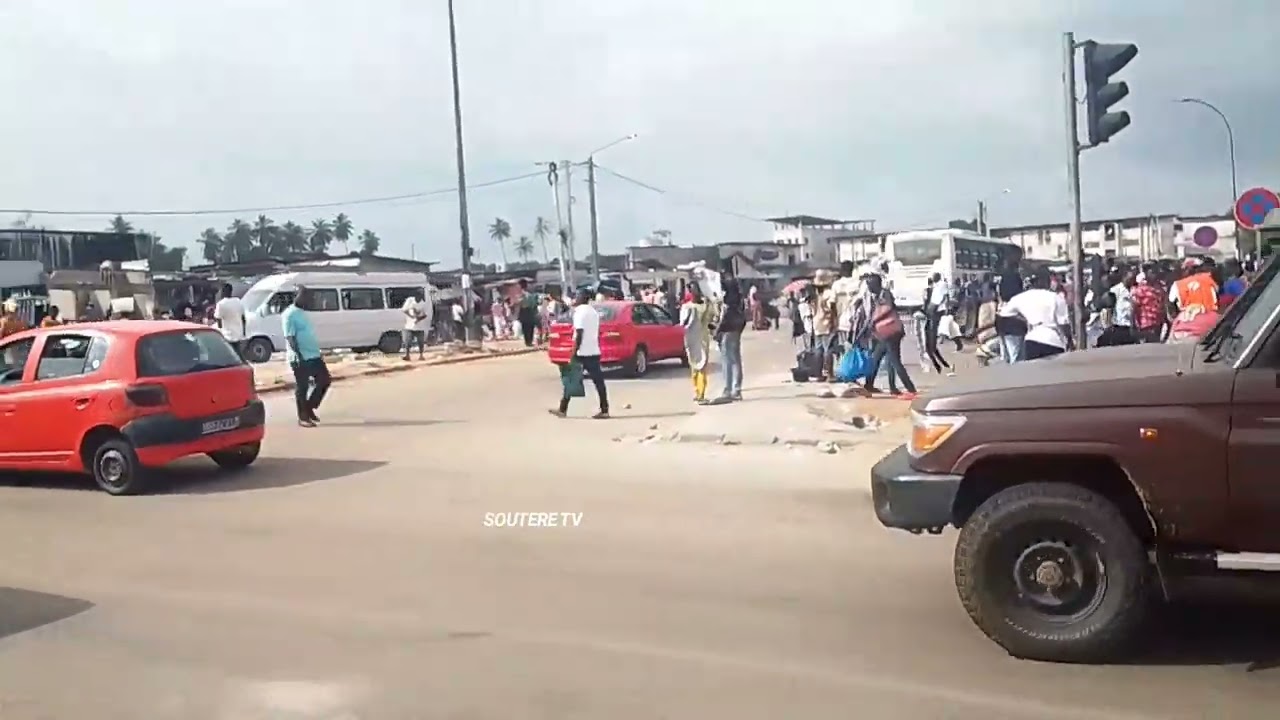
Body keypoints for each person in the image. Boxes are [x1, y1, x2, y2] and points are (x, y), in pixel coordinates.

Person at [550, 288, 609, 419]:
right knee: (598, 382)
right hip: (593, 350)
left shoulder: (579, 312)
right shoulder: (593, 312)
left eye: (577, 296)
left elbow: (579, 334)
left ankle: (562, 409)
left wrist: (574, 352)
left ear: (583, 297)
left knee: (571, 379)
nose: (575, 298)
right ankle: (604, 409)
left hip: (582, 352)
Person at [860, 274, 916, 398]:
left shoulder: (885, 294)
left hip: (891, 333)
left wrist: (873, 321)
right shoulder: (875, 297)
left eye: (870, 284)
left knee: (895, 361)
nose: (868, 287)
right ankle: (876, 386)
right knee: (876, 359)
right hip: (882, 333)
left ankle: (910, 389)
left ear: (876, 284)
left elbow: (888, 308)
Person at [282, 287, 330, 428]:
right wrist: (299, 355)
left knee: (324, 380)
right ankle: (303, 417)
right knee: (302, 387)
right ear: (298, 297)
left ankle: (309, 407)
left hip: (313, 355)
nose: (310, 301)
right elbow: (290, 337)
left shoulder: (302, 313)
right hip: (300, 357)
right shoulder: (289, 314)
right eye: (307, 297)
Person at [1000, 271, 1071, 360]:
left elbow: (1004, 313)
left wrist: (1025, 320)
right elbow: (1064, 324)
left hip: (1032, 340)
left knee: (1033, 372)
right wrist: (1070, 340)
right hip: (1054, 341)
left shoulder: (1021, 297)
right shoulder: (1056, 297)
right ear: (1046, 281)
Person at [711, 265, 748, 403]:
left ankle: (729, 388)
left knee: (728, 359)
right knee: (735, 358)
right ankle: (736, 389)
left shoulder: (727, 294)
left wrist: (716, 329)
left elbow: (724, 313)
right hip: (737, 326)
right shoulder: (736, 291)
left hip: (728, 327)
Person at [680, 285, 713, 403]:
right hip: (697, 339)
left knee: (699, 367)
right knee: (697, 367)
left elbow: (682, 323)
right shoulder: (703, 306)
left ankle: (700, 394)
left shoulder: (688, 307)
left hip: (696, 339)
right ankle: (698, 393)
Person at [923, 272, 954, 375]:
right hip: (932, 310)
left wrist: (945, 306)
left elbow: (945, 296)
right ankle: (942, 365)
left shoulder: (942, 285)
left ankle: (941, 365)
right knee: (930, 347)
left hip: (936, 310)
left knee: (931, 346)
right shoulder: (934, 287)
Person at [213, 283, 247, 358]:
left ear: (223, 292)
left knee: (229, 357)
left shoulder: (221, 304)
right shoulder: (238, 301)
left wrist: (220, 331)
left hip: (227, 335)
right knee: (239, 355)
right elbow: (243, 318)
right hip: (239, 334)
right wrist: (244, 332)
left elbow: (218, 319)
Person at [401, 289, 431, 360]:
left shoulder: (424, 303)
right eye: (418, 296)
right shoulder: (410, 300)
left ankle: (421, 355)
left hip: (420, 326)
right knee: (408, 341)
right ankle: (407, 355)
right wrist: (411, 317)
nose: (419, 297)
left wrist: (418, 319)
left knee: (420, 342)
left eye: (420, 296)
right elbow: (404, 310)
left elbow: (426, 314)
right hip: (409, 325)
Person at [516, 279, 539, 347]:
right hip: (531, 311)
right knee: (530, 327)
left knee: (525, 327)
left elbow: (519, 303)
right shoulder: (531, 294)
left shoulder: (521, 294)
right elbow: (534, 304)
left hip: (524, 311)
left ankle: (527, 342)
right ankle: (529, 341)